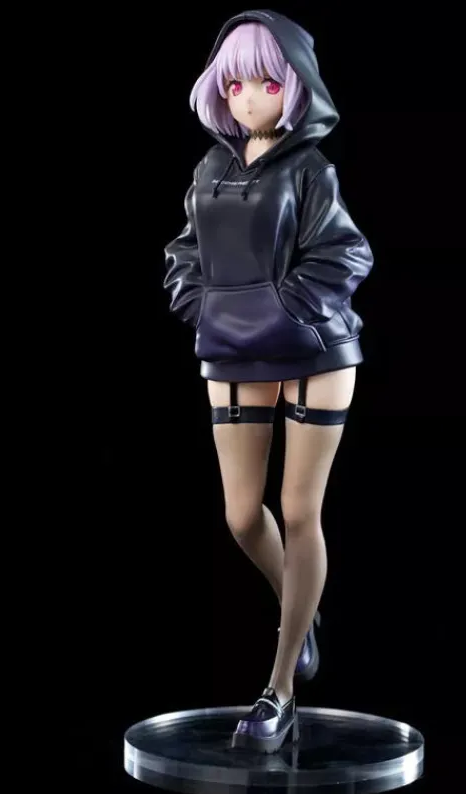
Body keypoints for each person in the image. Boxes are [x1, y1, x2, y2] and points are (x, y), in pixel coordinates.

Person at [163, 9, 374, 753]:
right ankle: (300, 609)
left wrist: (281, 307)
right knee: (241, 515)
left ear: (295, 86)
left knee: (298, 510)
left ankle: (279, 689)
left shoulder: (311, 169)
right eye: (235, 83)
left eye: (266, 81)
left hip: (316, 353)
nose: (249, 95)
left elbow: (347, 255)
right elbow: (184, 253)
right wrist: (205, 306)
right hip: (231, 354)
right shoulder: (209, 169)